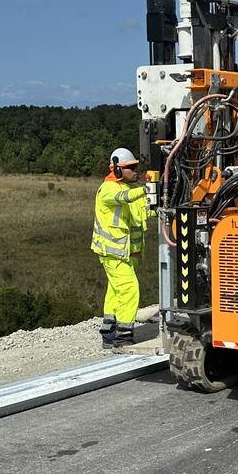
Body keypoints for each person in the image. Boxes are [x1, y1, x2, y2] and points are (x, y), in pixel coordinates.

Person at [91, 147, 151, 348]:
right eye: (130, 167)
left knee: (115, 292)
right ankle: (123, 336)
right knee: (129, 290)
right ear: (116, 169)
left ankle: (108, 334)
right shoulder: (108, 189)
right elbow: (122, 199)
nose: (136, 170)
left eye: (136, 166)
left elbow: (142, 214)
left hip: (127, 254)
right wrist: (146, 189)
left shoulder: (127, 189)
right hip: (113, 253)